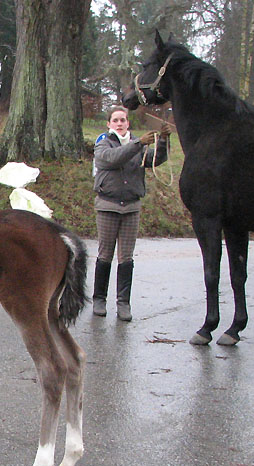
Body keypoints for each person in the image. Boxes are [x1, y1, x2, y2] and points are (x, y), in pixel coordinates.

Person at [92, 106, 171, 321]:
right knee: (105, 254)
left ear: (128, 123)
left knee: (126, 257)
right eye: (115, 120)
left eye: (123, 120)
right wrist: (139, 144)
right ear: (109, 124)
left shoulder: (140, 144)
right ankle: (99, 299)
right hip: (108, 206)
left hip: (131, 208)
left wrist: (163, 140)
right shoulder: (103, 144)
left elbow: (158, 159)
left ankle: (123, 303)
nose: (120, 123)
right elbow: (112, 159)